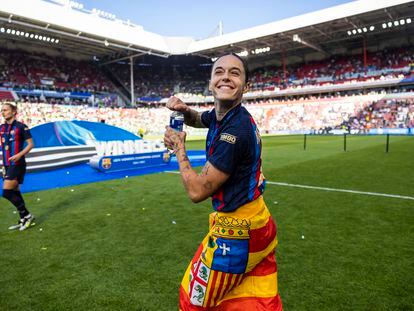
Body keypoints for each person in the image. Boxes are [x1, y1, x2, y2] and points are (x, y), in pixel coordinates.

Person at [164, 54, 282, 310]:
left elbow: (196, 191)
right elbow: (199, 119)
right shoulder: (224, 116)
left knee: (192, 300)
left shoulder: (234, 132)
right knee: (252, 301)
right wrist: (185, 111)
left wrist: (179, 148)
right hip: (257, 222)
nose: (225, 76)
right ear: (210, 82)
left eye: (235, 73)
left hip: (238, 230)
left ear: (246, 86)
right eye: (219, 72)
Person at [1, 102, 35, 231]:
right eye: (2, 110)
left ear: (14, 111)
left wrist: (19, 155)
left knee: (6, 192)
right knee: (15, 191)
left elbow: (31, 144)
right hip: (6, 164)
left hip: (17, 163)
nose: (3, 112)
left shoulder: (21, 127)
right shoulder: (2, 128)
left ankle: (27, 215)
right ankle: (23, 218)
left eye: (5, 110)